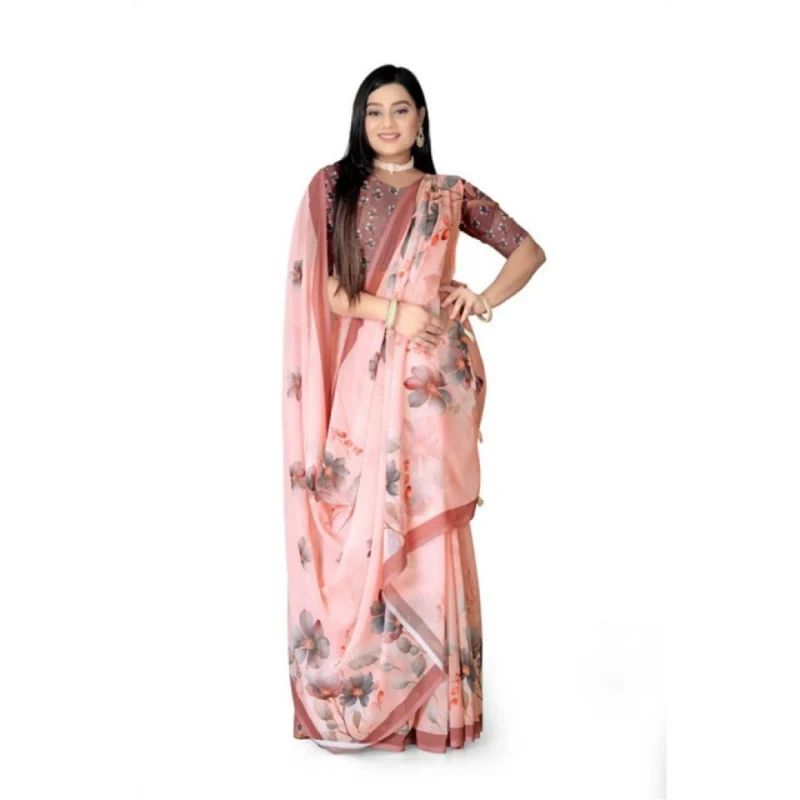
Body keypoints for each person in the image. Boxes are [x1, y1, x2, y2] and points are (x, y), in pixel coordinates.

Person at [282, 64, 546, 754]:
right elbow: (331, 293)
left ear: (421, 120)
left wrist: (480, 299)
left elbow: (528, 251)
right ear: (360, 120)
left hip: (435, 386)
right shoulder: (334, 186)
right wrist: (398, 311)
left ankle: (434, 711)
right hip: (367, 379)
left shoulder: (448, 193)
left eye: (402, 110)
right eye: (375, 111)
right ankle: (371, 697)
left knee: (430, 525)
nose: (388, 123)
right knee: (359, 518)